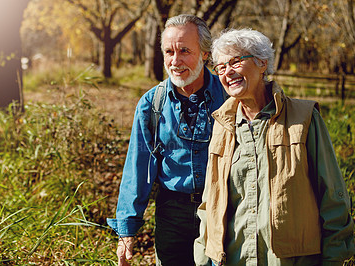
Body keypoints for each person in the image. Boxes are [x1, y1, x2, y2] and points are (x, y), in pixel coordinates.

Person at [195, 28, 355, 266]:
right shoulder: (222, 125)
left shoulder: (304, 117)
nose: (227, 72)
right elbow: (210, 203)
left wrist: (333, 258)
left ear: (262, 63)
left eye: (236, 61)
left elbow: (333, 197)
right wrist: (204, 257)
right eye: (220, 67)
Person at [107, 14, 226, 265]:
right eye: (168, 52)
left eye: (184, 51)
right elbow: (137, 168)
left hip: (223, 208)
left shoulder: (229, 97)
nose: (175, 61)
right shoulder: (152, 104)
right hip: (172, 214)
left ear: (205, 54)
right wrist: (126, 231)